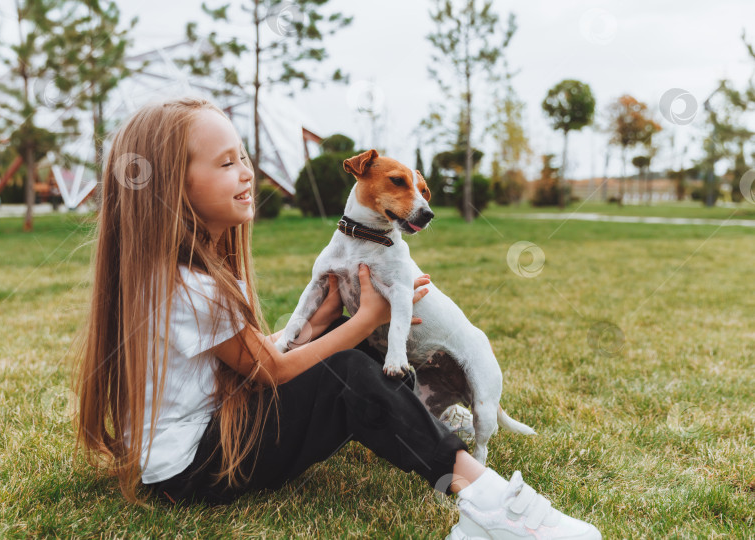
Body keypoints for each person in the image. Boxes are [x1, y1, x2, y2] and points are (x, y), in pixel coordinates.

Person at [74, 97, 601, 540]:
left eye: (243, 158)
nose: (246, 172)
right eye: (225, 162)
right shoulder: (190, 284)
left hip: (186, 460)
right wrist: (363, 317)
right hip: (192, 473)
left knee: (343, 366)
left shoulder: (178, 272)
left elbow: (256, 352)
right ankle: (487, 501)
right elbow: (271, 372)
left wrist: (325, 314)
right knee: (348, 371)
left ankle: (434, 429)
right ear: (171, 186)